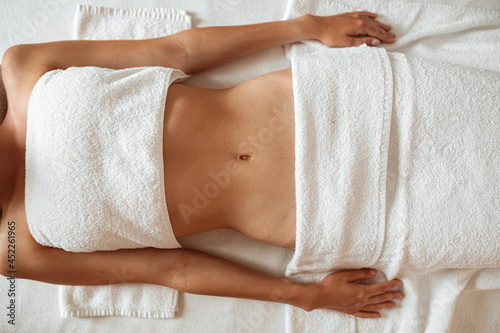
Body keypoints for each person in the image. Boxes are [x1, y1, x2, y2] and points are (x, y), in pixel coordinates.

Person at [0, 12, 404, 319]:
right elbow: (173, 270)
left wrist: (308, 26)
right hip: (324, 212)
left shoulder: (23, 69)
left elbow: (175, 52)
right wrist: (308, 297)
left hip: (320, 103)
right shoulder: (13, 249)